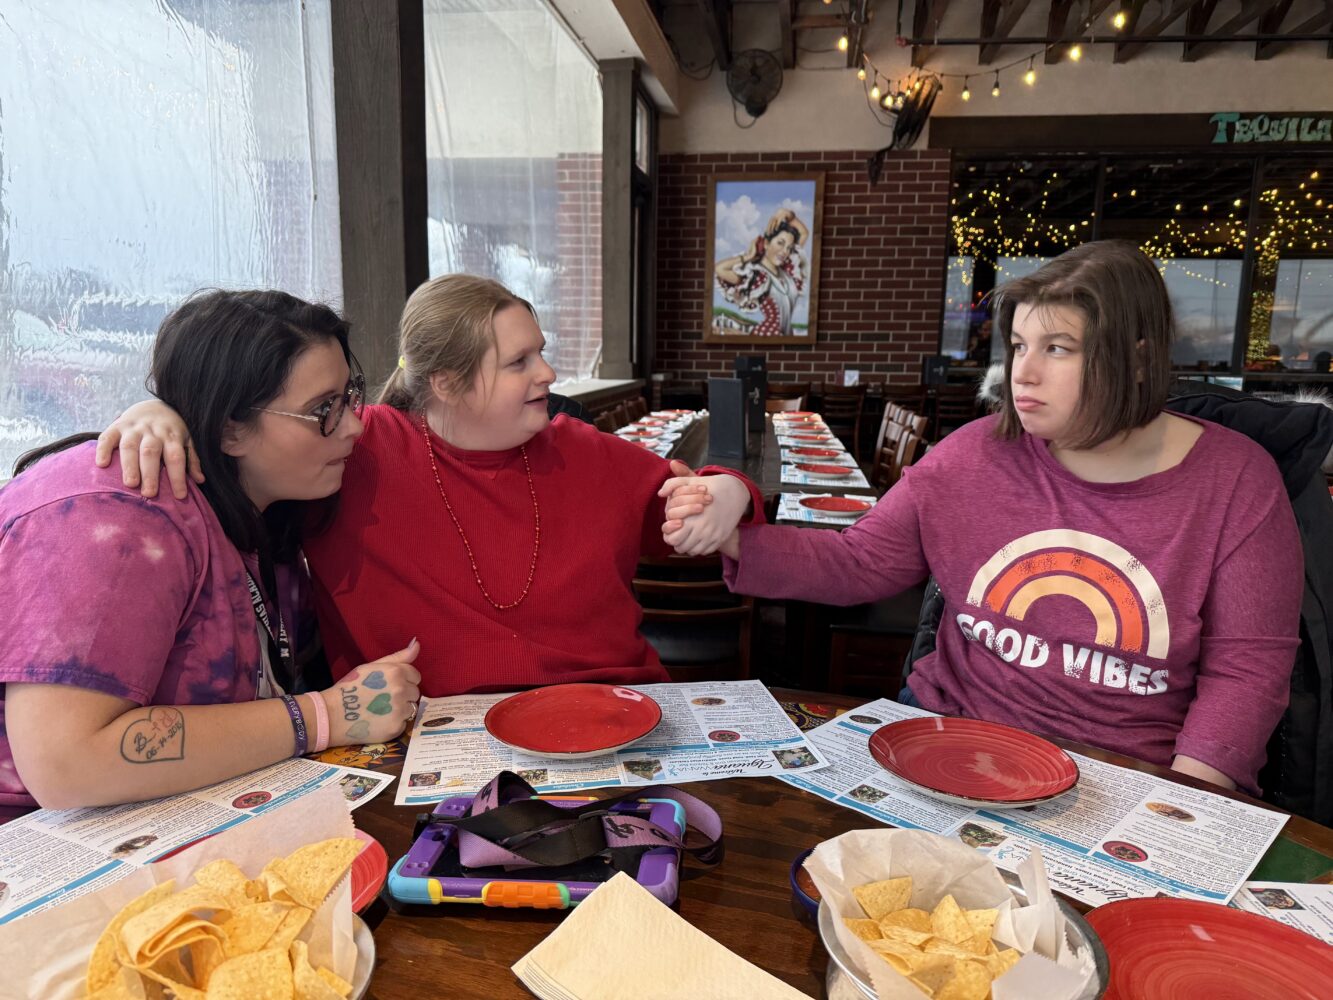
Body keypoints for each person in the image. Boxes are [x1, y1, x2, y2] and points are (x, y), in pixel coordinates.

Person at [666, 240, 1303, 795]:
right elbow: (857, 562)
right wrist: (736, 536)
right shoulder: (974, 454)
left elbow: (1244, 677)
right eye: (1020, 344)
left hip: (1126, 771)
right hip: (951, 739)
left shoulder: (1238, 481)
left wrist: (1181, 807)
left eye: (1058, 348)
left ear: (1137, 358)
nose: (1021, 373)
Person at [99, 275, 761, 698]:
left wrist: (729, 489)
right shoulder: (351, 447)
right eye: (519, 362)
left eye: (541, 351)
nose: (548, 372)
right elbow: (247, 438)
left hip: (607, 709)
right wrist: (161, 413)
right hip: (424, 733)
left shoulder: (581, 450)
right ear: (444, 383)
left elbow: (691, 507)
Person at [0, 291, 421, 810]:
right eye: (322, 410)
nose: (354, 425)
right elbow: (65, 766)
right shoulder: (121, 513)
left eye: (348, 395)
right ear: (228, 428)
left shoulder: (269, 503)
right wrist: (330, 715)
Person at [714, 208, 810, 337]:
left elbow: (804, 233)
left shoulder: (789, 270)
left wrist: (788, 214)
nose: (785, 251)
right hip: (767, 335)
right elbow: (719, 269)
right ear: (766, 243)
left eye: (788, 247)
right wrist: (748, 256)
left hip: (786, 336)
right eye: (780, 243)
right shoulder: (756, 275)